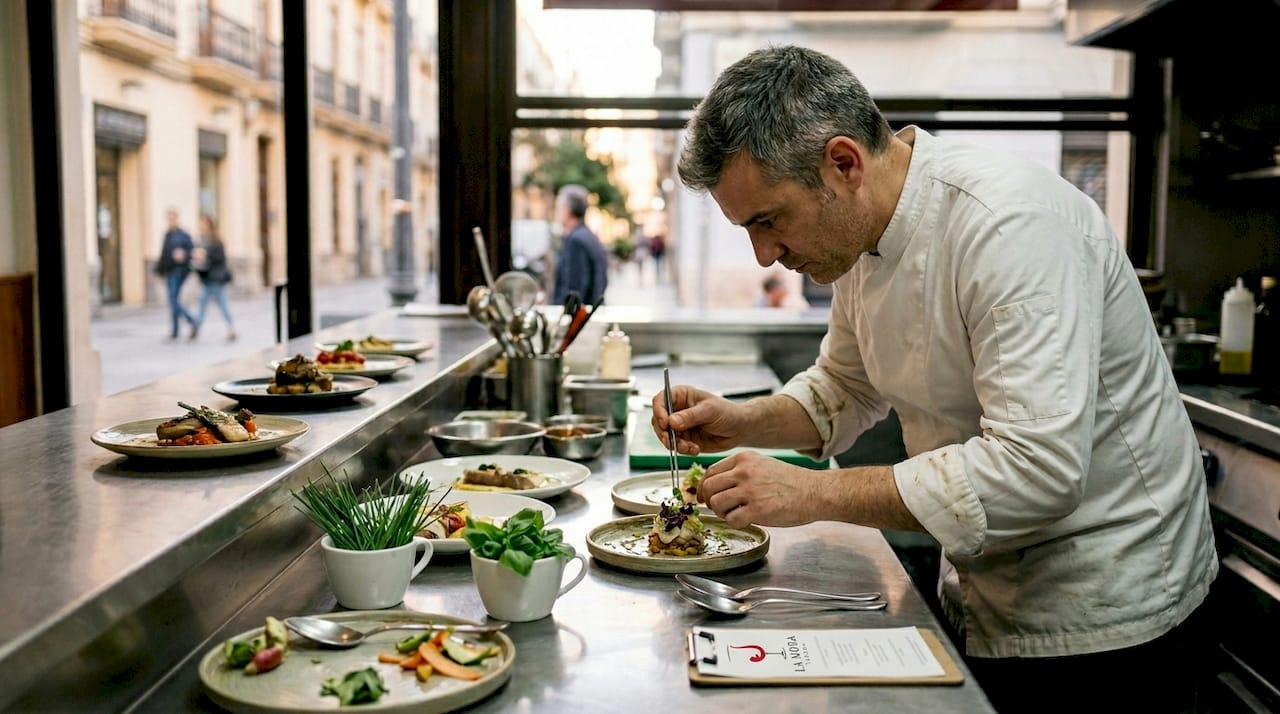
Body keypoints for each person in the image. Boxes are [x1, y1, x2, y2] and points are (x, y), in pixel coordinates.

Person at [654, 45, 1216, 713]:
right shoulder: (858, 240)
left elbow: (1036, 469)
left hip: (1107, 614)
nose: (765, 256)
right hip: (981, 586)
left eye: (768, 221)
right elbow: (844, 388)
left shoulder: (1009, 227)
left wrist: (814, 493)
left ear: (843, 164)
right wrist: (742, 420)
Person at [551, 184, 608, 306]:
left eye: (558, 207)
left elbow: (574, 290)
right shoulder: (588, 236)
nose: (556, 212)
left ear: (567, 210)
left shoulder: (576, 241)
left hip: (579, 320)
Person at [191, 214, 237, 342]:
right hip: (206, 278)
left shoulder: (216, 240)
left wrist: (206, 255)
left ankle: (232, 328)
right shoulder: (200, 239)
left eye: (204, 223)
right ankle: (196, 327)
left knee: (223, 304)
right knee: (202, 304)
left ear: (209, 224)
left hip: (216, 279)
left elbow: (220, 259)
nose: (201, 225)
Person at [155, 208, 198, 340]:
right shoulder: (167, 235)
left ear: (177, 219)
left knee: (173, 300)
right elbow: (163, 255)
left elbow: (192, 251)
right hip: (169, 271)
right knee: (173, 300)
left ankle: (193, 321)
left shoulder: (183, 235)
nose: (171, 220)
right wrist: (158, 271)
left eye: (173, 218)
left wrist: (184, 254)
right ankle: (175, 331)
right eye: (169, 218)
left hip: (179, 271)